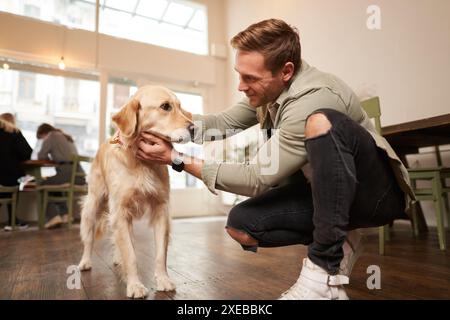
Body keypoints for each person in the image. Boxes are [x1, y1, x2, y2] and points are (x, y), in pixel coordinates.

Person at [136, 19, 414, 300]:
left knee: (321, 121)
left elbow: (256, 177)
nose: (241, 86)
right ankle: (343, 238)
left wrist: (176, 158)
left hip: (376, 197)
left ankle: (322, 273)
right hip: (324, 195)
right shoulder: (269, 91)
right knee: (242, 225)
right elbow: (222, 123)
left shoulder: (315, 97)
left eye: (250, 79)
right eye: (239, 75)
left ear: (286, 71)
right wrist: (174, 128)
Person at [36, 123, 85, 229]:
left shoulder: (51, 136)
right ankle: (65, 215)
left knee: (41, 183)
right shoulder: (66, 137)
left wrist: (50, 158)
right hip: (79, 175)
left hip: (67, 171)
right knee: (54, 185)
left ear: (44, 133)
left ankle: (53, 217)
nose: (42, 140)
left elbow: (41, 156)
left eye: (41, 138)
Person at [0, 115, 32, 231]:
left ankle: (12, 219)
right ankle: (12, 220)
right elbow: (27, 153)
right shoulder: (14, 132)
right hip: (11, 178)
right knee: (23, 178)